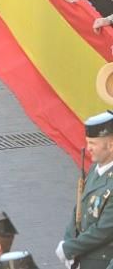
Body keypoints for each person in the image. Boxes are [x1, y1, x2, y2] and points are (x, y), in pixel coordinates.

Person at [57, 110, 113, 269]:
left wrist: (70, 248)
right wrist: (68, 240)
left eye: (93, 144)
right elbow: (79, 208)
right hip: (83, 257)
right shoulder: (96, 167)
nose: (88, 148)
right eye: (88, 142)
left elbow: (105, 230)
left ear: (110, 145)